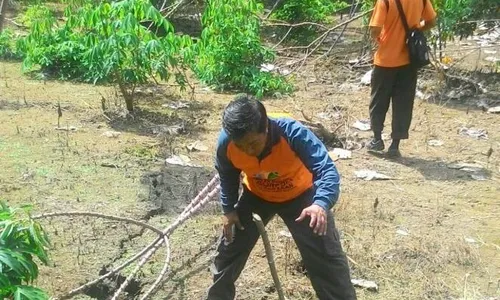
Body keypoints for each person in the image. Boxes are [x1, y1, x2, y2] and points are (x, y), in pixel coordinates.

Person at [205, 94, 357, 300]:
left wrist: (320, 204)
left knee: (327, 259)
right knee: (228, 252)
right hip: (256, 196)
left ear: (266, 127)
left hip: (302, 199)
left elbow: (327, 170)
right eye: (241, 146)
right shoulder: (227, 143)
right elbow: (227, 173)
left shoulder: (293, 133)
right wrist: (229, 209)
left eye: (253, 143)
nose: (247, 151)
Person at [367, 0, 437, 157]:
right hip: (409, 61)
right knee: (404, 103)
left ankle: (377, 139)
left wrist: (379, 39)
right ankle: (395, 145)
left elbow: (375, 28)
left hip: (385, 60)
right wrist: (417, 29)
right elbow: (431, 21)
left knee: (378, 100)